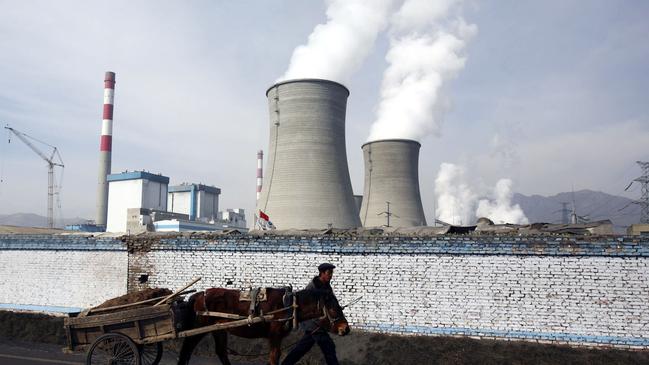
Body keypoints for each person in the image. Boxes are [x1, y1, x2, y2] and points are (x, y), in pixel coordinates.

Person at [282, 263, 340, 365]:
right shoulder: (312, 288)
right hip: (313, 324)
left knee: (302, 349)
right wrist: (318, 322)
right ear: (322, 273)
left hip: (318, 324)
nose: (331, 275)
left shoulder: (326, 286)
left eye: (331, 273)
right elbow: (306, 309)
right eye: (329, 273)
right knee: (328, 347)